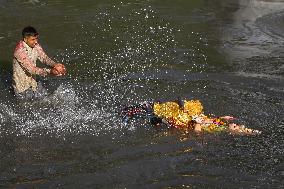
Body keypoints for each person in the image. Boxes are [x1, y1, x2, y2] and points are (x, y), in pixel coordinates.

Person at [121, 99, 261, 135]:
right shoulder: (221, 123)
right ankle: (144, 108)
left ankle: (138, 113)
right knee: (170, 107)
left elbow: (198, 131)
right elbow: (210, 119)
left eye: (237, 128)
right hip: (191, 117)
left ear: (233, 133)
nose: (237, 125)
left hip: (186, 122)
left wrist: (197, 121)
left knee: (165, 116)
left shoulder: (216, 131)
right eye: (239, 125)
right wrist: (222, 117)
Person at [12, 26, 66, 99]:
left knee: (48, 99)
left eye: (36, 38)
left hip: (33, 83)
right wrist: (50, 71)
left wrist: (55, 65)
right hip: (22, 88)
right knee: (32, 107)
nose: (36, 41)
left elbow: (44, 58)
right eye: (33, 39)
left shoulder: (35, 45)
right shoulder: (19, 51)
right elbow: (32, 69)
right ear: (25, 39)